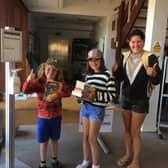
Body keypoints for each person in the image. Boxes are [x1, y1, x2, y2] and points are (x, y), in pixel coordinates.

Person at [112, 29, 162, 168]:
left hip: (141, 100)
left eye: (139, 41)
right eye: (133, 42)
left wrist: (153, 74)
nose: (136, 44)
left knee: (135, 132)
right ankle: (128, 155)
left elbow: (158, 79)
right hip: (126, 98)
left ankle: (135, 161)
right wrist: (116, 71)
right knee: (127, 130)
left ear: (143, 42)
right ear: (129, 43)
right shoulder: (125, 56)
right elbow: (121, 78)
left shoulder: (150, 57)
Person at [22, 57, 71, 168]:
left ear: (57, 72)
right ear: (44, 69)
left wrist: (57, 94)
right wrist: (28, 81)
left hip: (56, 116)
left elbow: (68, 92)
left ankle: (54, 160)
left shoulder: (60, 83)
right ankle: (42, 162)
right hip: (43, 117)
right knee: (43, 141)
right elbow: (25, 90)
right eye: (48, 69)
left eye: (54, 70)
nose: (50, 72)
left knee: (55, 139)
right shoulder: (40, 82)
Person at [76, 48, 116, 168]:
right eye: (90, 59)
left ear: (101, 59)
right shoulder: (88, 76)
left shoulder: (107, 74)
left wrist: (95, 95)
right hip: (85, 108)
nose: (93, 62)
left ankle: (96, 165)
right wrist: (79, 97)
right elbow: (85, 93)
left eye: (96, 59)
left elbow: (112, 95)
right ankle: (85, 161)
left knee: (92, 138)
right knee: (85, 137)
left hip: (97, 110)